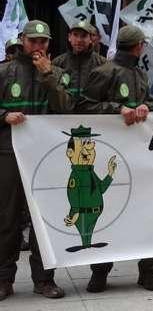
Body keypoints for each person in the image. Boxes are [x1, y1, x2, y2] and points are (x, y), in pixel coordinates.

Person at [77, 26, 153, 293]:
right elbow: (83, 105)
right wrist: (118, 109)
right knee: (110, 212)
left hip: (140, 154)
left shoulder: (140, 73)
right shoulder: (104, 72)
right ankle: (100, 272)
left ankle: (148, 271)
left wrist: (148, 105)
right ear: (138, 46)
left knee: (146, 212)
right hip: (110, 154)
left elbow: (151, 102)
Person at [0, 21, 71, 301]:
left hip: (46, 158)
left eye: (43, 41)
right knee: (7, 221)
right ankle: (4, 280)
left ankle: (44, 280)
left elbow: (66, 109)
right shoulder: (4, 71)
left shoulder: (58, 74)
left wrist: (48, 75)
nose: (38, 46)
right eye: (33, 41)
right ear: (22, 40)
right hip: (10, 156)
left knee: (44, 221)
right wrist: (3, 116)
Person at [52, 21, 106, 101]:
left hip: (92, 112)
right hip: (65, 113)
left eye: (84, 36)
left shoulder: (102, 63)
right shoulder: (58, 62)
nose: (79, 40)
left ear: (90, 39)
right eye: (75, 35)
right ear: (69, 37)